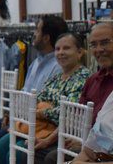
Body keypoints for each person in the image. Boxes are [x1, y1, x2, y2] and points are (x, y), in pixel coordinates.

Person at [0, 32, 90, 164]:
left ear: (79, 52)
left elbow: (68, 113)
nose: (61, 52)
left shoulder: (83, 77)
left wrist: (40, 112)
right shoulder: (56, 78)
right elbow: (36, 100)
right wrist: (35, 111)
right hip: (38, 127)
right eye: (57, 49)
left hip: (60, 133)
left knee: (18, 153)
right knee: (0, 147)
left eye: (66, 48)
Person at [42, 22, 113, 164]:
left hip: (101, 148)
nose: (99, 49)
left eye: (105, 43)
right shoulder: (93, 80)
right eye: (94, 45)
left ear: (80, 52)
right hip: (92, 143)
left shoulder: (83, 77)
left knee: (50, 157)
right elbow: (76, 117)